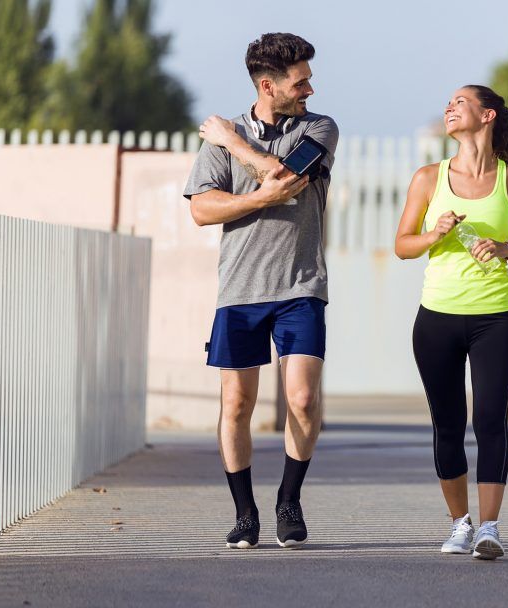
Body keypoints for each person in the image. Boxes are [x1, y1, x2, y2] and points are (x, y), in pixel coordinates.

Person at [183, 33, 339, 550]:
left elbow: (283, 176)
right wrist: (256, 197)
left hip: (301, 285)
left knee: (301, 398)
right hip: (240, 290)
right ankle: (245, 512)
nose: (310, 88)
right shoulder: (219, 141)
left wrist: (232, 143)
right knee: (237, 405)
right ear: (269, 86)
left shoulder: (319, 127)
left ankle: (289, 500)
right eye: (301, 81)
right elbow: (202, 210)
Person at [394, 85, 508, 560]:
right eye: (447, 103)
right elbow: (402, 245)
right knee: (447, 423)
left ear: (487, 115)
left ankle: (490, 528)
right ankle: (459, 524)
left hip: (494, 319)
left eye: (459, 102)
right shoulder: (428, 178)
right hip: (436, 317)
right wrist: (433, 233)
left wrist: (504, 250)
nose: (449, 108)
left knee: (489, 420)